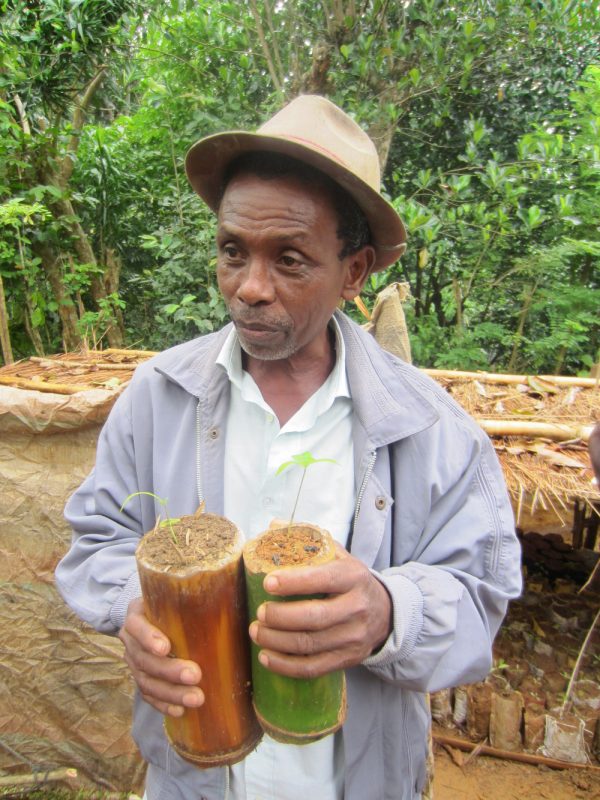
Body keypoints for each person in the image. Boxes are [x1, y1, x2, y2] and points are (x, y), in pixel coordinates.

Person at [55, 95, 522, 800]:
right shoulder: (157, 398)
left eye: (290, 259)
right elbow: (97, 540)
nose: (249, 288)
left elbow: (482, 596)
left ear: (354, 272)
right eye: (232, 251)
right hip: (193, 778)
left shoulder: (431, 429)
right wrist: (136, 606)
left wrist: (388, 612)